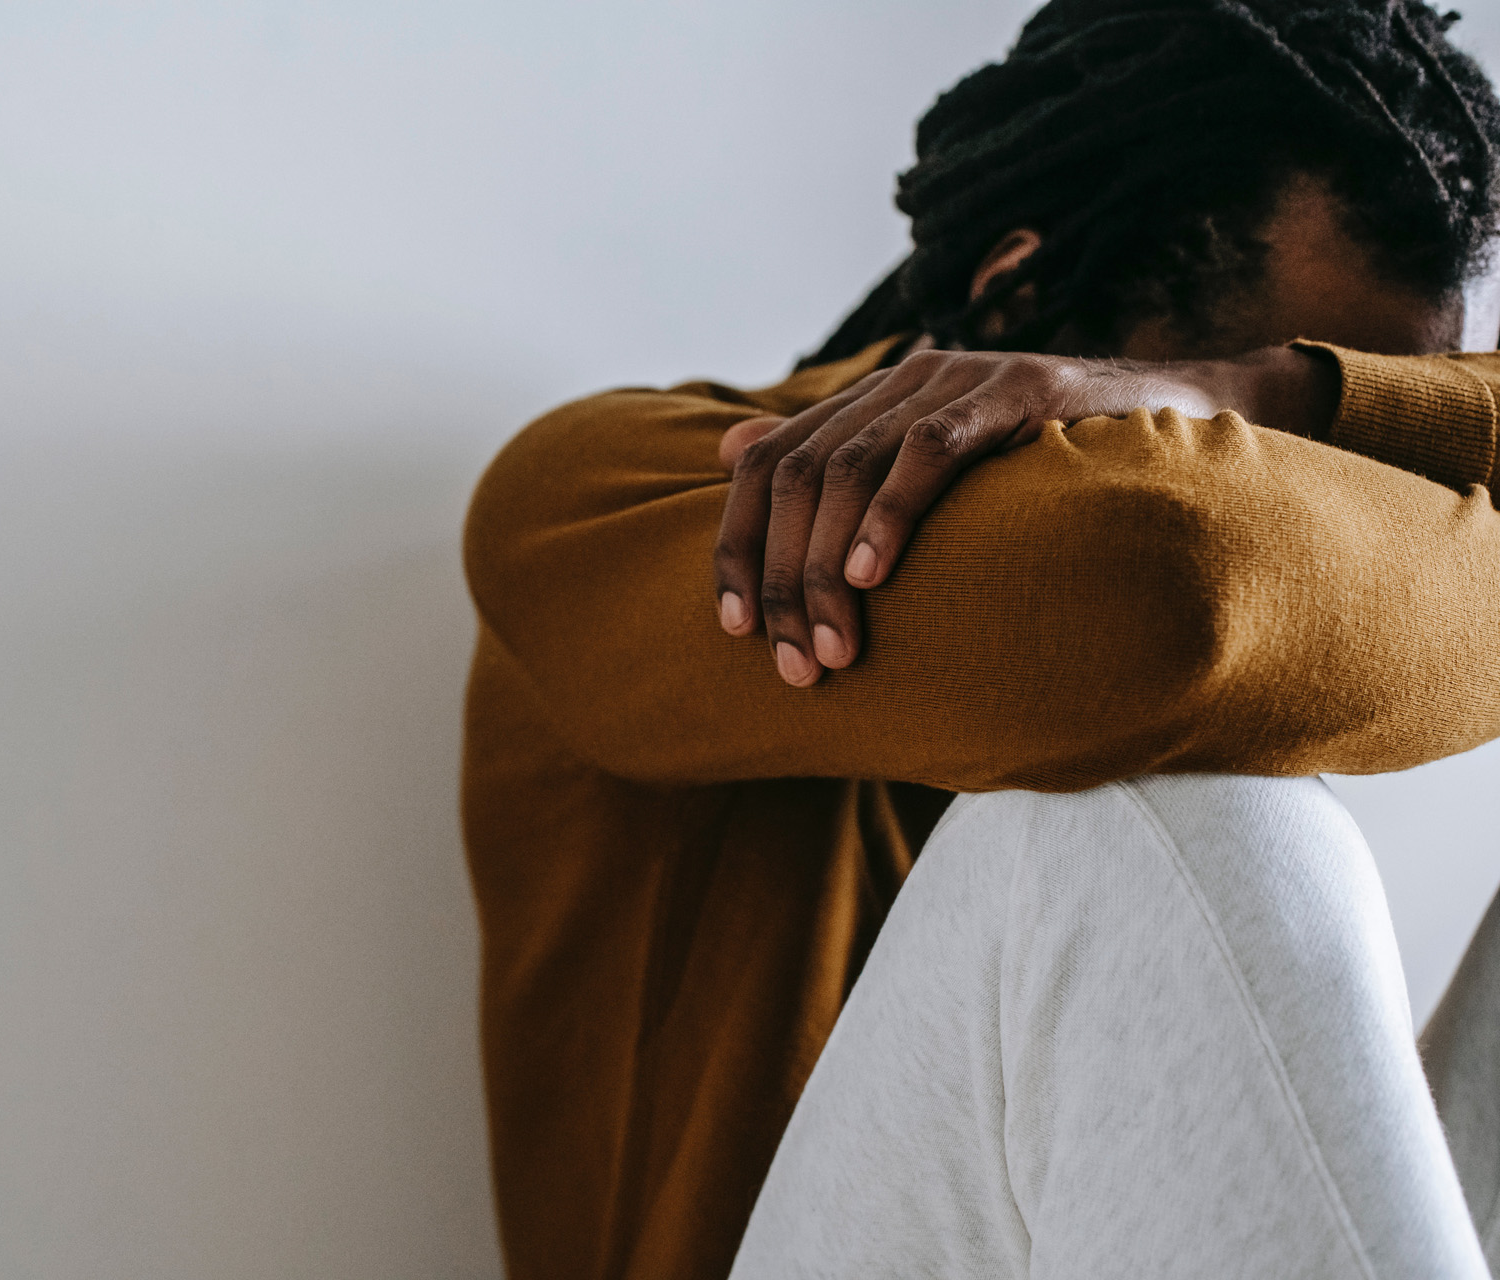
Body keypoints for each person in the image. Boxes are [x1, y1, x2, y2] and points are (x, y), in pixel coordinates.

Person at [460, 1, 1500, 1276]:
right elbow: (1170, 593)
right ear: (1013, 296)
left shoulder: (1257, 415)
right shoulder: (614, 496)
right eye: (1258, 454)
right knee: (1142, 817)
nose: (1333, 511)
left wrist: (1272, 393)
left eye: (1389, 441)